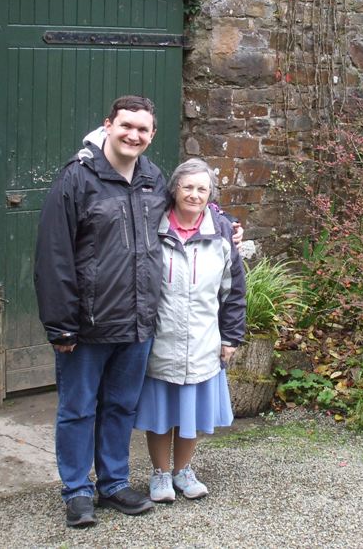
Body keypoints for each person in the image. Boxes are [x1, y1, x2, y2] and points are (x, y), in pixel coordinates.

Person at [35, 97, 243, 528]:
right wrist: (60, 324)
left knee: (119, 408)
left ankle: (112, 484)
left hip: (137, 323)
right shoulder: (76, 180)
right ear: (107, 125)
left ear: (151, 136)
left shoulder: (152, 179)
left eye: (143, 130)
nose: (134, 135)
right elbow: (53, 256)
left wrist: (225, 223)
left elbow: (192, 209)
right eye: (126, 125)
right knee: (77, 409)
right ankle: (77, 491)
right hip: (87, 325)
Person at [134, 158, 246, 503]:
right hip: (161, 338)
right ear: (174, 189)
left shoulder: (221, 232)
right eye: (187, 187)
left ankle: (183, 471)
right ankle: (160, 474)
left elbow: (234, 290)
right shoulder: (155, 226)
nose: (194, 195)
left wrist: (230, 337)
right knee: (161, 414)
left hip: (202, 338)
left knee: (190, 412)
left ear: (210, 194)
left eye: (202, 189)